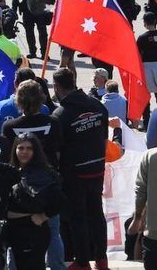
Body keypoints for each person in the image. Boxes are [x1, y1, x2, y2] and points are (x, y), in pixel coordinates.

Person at [52, 67, 109, 270]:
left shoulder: (59, 115)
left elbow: (57, 151)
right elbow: (104, 139)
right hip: (97, 169)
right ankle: (102, 260)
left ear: (57, 87)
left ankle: (83, 262)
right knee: (96, 214)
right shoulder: (97, 105)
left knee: (78, 218)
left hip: (74, 174)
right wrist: (99, 162)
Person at [6, 134, 63, 270]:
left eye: (29, 148)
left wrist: (44, 216)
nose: (24, 152)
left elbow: (59, 200)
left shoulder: (44, 174)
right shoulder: (12, 171)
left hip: (33, 233)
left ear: (35, 151)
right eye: (21, 148)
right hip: (14, 233)